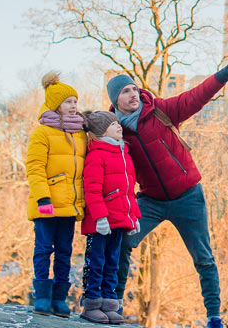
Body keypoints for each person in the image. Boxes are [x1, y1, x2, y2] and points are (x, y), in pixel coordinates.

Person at [106, 56, 228, 328]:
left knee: (203, 257)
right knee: (122, 242)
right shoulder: (114, 130)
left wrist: (222, 76)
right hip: (150, 202)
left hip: (188, 198)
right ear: (116, 99)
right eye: (125, 91)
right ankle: (114, 304)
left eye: (134, 88)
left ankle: (214, 316)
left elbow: (194, 98)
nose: (133, 94)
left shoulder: (159, 110)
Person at [24, 72, 86, 318]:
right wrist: (43, 198)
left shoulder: (80, 133)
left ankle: (60, 298)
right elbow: (35, 167)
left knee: (64, 251)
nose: (74, 106)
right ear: (56, 105)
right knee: (43, 248)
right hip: (47, 202)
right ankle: (42, 296)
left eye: (75, 102)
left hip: (70, 204)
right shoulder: (42, 133)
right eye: (69, 102)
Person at [79, 111, 142, 325]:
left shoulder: (125, 154)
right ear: (100, 130)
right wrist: (99, 217)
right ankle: (92, 304)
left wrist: (134, 217)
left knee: (112, 263)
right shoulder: (96, 154)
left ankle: (109, 304)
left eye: (118, 123)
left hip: (119, 220)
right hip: (101, 223)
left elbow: (129, 191)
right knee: (96, 262)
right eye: (113, 124)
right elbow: (92, 189)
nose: (118, 126)